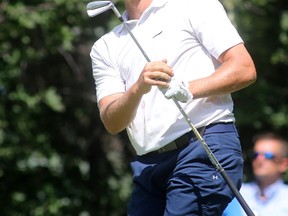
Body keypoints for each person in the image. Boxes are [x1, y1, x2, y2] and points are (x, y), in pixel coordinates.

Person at [90, 0, 256, 215]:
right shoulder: (104, 46)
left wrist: (188, 89)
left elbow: (244, 69)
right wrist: (138, 88)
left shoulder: (194, 5)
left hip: (202, 146)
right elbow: (112, 122)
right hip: (148, 166)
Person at [223, 132, 288, 216]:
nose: (259, 160)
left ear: (284, 164)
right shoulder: (235, 194)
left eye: (268, 155)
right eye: (256, 155)